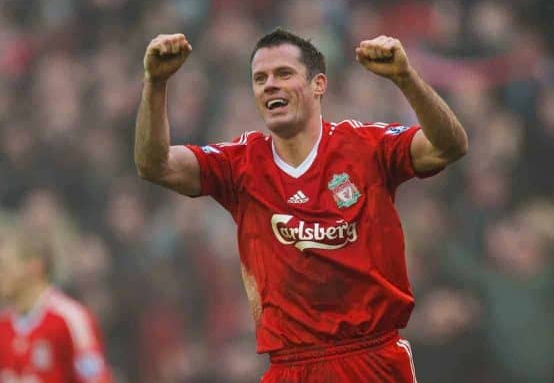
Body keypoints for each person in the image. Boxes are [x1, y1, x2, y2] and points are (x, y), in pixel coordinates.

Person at [134, 28, 468, 382]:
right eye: (260, 78)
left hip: (371, 361)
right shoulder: (240, 165)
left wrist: (406, 78)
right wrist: (156, 82)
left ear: (318, 84)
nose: (269, 85)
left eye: (283, 74)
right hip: (290, 369)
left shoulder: (367, 147)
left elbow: (449, 146)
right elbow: (155, 165)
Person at [0, 224, 113, 383]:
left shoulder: (71, 319)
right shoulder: (3, 325)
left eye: (4, 266)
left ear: (34, 267)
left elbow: (96, 379)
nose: (1, 275)